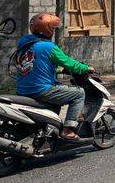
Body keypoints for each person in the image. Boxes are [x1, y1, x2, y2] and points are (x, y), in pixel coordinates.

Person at [15, 13, 94, 141]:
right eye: (52, 28)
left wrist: (56, 70)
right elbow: (69, 63)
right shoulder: (49, 47)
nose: (53, 30)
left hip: (22, 89)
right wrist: (86, 68)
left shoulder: (24, 42)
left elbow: (35, 63)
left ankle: (44, 129)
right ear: (46, 28)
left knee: (56, 103)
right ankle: (68, 130)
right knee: (79, 94)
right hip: (41, 90)